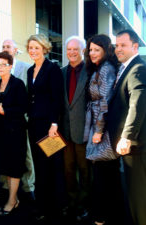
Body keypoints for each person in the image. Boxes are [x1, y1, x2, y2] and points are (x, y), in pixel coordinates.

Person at [107, 29, 146, 225]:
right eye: (116, 45)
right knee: (135, 192)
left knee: (140, 195)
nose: (118, 49)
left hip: (137, 144)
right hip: (134, 145)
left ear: (135, 47)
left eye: (123, 45)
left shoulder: (138, 69)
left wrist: (126, 137)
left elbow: (137, 106)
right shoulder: (128, 68)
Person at [83, 34, 124, 225]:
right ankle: (109, 215)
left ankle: (101, 218)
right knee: (108, 173)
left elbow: (106, 102)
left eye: (96, 50)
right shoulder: (101, 68)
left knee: (103, 174)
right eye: (90, 49)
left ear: (106, 50)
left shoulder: (106, 69)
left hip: (103, 129)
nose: (92, 53)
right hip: (100, 125)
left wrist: (98, 130)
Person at [26, 34, 66, 221]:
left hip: (50, 127)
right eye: (30, 47)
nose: (33, 51)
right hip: (34, 124)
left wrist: (54, 124)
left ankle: (55, 209)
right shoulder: (30, 70)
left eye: (36, 47)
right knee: (40, 166)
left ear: (44, 48)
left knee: (53, 166)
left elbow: (57, 98)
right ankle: (41, 206)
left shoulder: (53, 69)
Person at [0, 39, 35, 200]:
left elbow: (26, 98)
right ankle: (6, 186)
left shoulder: (25, 68)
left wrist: (7, 112)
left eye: (8, 46)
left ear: (15, 50)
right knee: (5, 157)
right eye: (3, 46)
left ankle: (28, 186)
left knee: (25, 155)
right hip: (2, 125)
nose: (5, 49)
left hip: (19, 121)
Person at [60, 36, 91, 219]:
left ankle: (85, 205)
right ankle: (71, 203)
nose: (72, 52)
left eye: (75, 49)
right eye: (69, 49)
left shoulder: (91, 71)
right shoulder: (61, 72)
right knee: (68, 169)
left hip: (84, 131)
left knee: (85, 170)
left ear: (83, 50)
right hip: (65, 131)